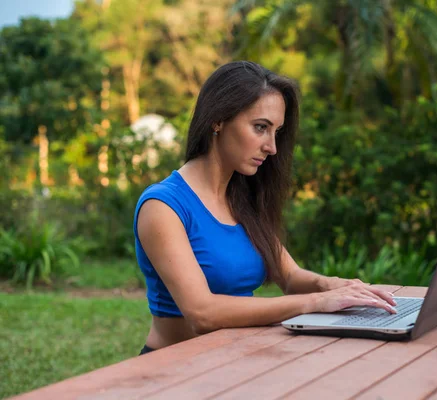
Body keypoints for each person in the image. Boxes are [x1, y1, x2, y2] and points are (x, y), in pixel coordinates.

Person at [133, 61, 396, 355]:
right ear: (218, 120)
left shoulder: (243, 199)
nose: (272, 147)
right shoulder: (163, 206)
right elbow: (202, 313)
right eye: (260, 128)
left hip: (237, 362)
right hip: (173, 372)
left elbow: (291, 277)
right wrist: (315, 302)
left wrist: (335, 286)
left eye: (277, 132)